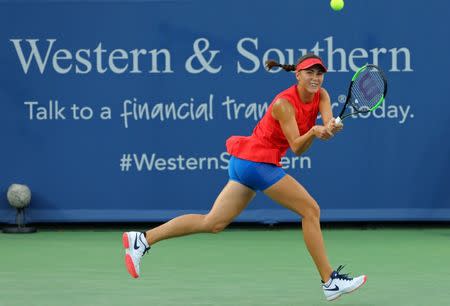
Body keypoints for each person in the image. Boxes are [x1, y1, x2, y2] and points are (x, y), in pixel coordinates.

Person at [122, 53, 367, 301]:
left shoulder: (322, 95)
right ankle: (329, 280)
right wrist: (315, 132)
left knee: (213, 223)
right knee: (311, 210)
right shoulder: (284, 104)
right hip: (257, 162)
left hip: (244, 162)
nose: (315, 78)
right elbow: (297, 147)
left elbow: (326, 125)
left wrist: (329, 128)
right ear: (298, 75)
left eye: (319, 73)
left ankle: (142, 239)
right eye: (309, 73)